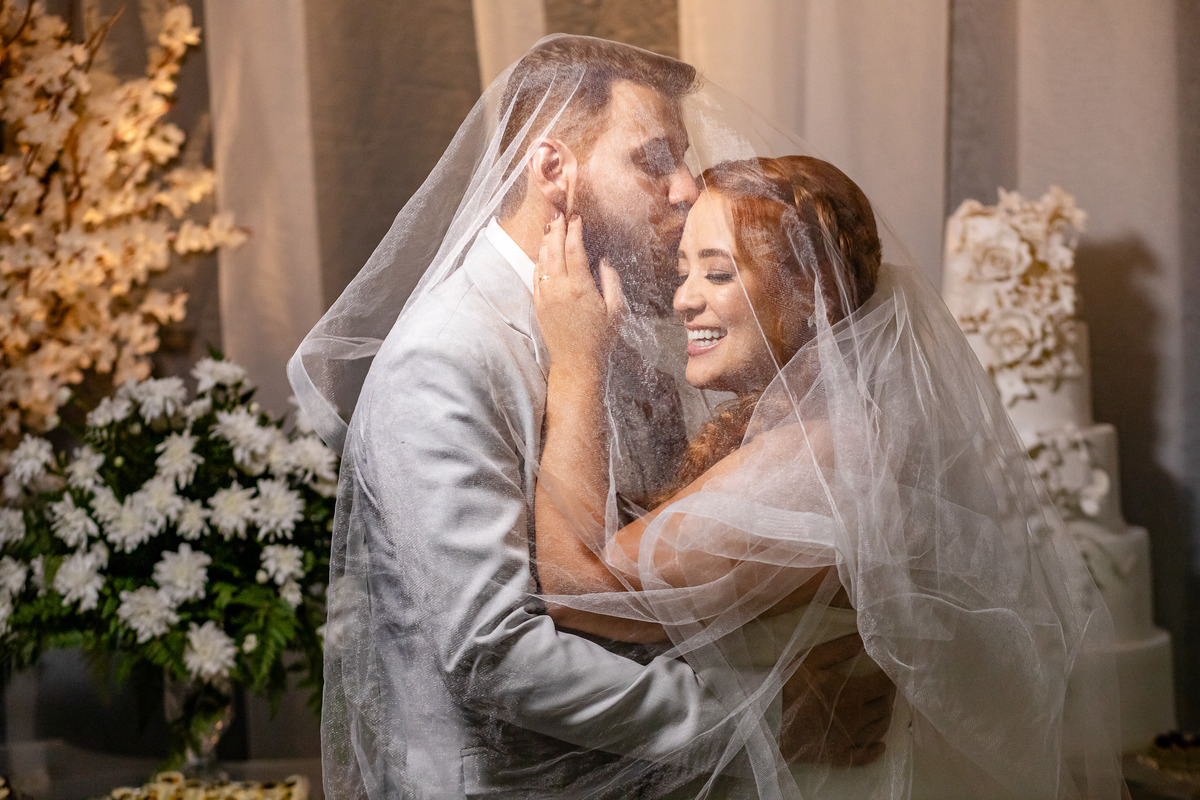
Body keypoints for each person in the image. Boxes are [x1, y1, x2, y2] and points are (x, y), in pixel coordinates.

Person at [289, 37, 895, 798]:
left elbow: (652, 581)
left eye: (683, 160)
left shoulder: (611, 327)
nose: (685, 188)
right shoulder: (444, 358)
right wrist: (761, 717)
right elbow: (494, 652)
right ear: (554, 171)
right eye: (653, 159)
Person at [529, 154, 1128, 798]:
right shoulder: (830, 430)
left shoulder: (821, 455)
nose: (684, 299)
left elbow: (579, 591)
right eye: (683, 271)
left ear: (811, 292)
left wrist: (577, 361)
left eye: (719, 272)